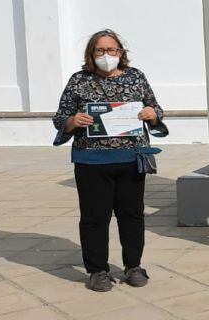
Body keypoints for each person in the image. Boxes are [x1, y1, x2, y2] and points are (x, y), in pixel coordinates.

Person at [52, 29, 168, 292]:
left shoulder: (135, 76)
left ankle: (133, 266)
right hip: (91, 161)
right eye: (100, 50)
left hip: (131, 158)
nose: (107, 55)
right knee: (94, 218)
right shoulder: (79, 81)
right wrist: (73, 121)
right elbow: (61, 117)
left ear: (121, 52)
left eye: (112, 50)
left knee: (132, 215)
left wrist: (151, 114)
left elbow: (156, 108)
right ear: (91, 54)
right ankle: (97, 271)